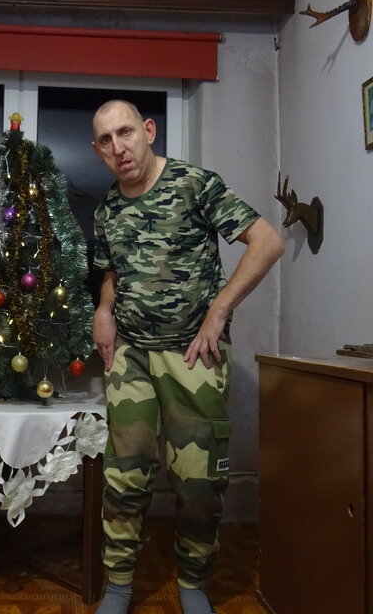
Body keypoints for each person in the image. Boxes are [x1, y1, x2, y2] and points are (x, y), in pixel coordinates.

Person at [90, 100, 284, 614]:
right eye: (106, 140)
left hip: (193, 353)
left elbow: (267, 242)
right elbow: (111, 271)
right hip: (131, 354)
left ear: (148, 131)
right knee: (124, 475)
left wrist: (219, 312)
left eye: (126, 132)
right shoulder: (107, 209)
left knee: (199, 481)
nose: (119, 147)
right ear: (98, 150)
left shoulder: (195, 184)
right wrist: (104, 310)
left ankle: (193, 583)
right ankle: (119, 585)